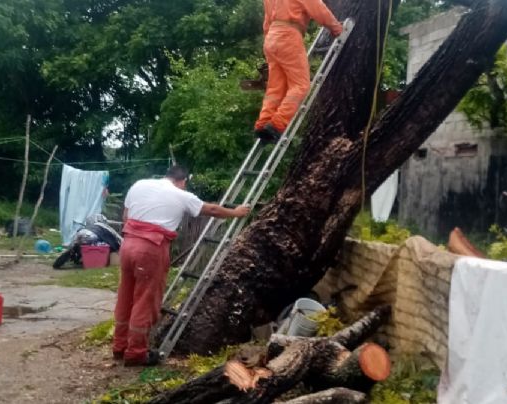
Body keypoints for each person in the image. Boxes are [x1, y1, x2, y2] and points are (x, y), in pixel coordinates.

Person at [112, 166, 250, 366]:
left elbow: (126, 216)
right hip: (150, 248)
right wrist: (235, 212)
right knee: (145, 301)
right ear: (183, 180)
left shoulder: (139, 185)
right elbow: (211, 209)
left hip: (127, 244)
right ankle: (135, 353)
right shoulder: (180, 195)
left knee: (126, 296)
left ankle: (119, 347)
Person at [254, 0, 343, 142]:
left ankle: (263, 123)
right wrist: (337, 28)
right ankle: (277, 125)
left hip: (271, 38)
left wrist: (271, 40)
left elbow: (267, 22)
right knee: (301, 85)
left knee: (275, 88)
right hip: (288, 35)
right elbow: (317, 8)